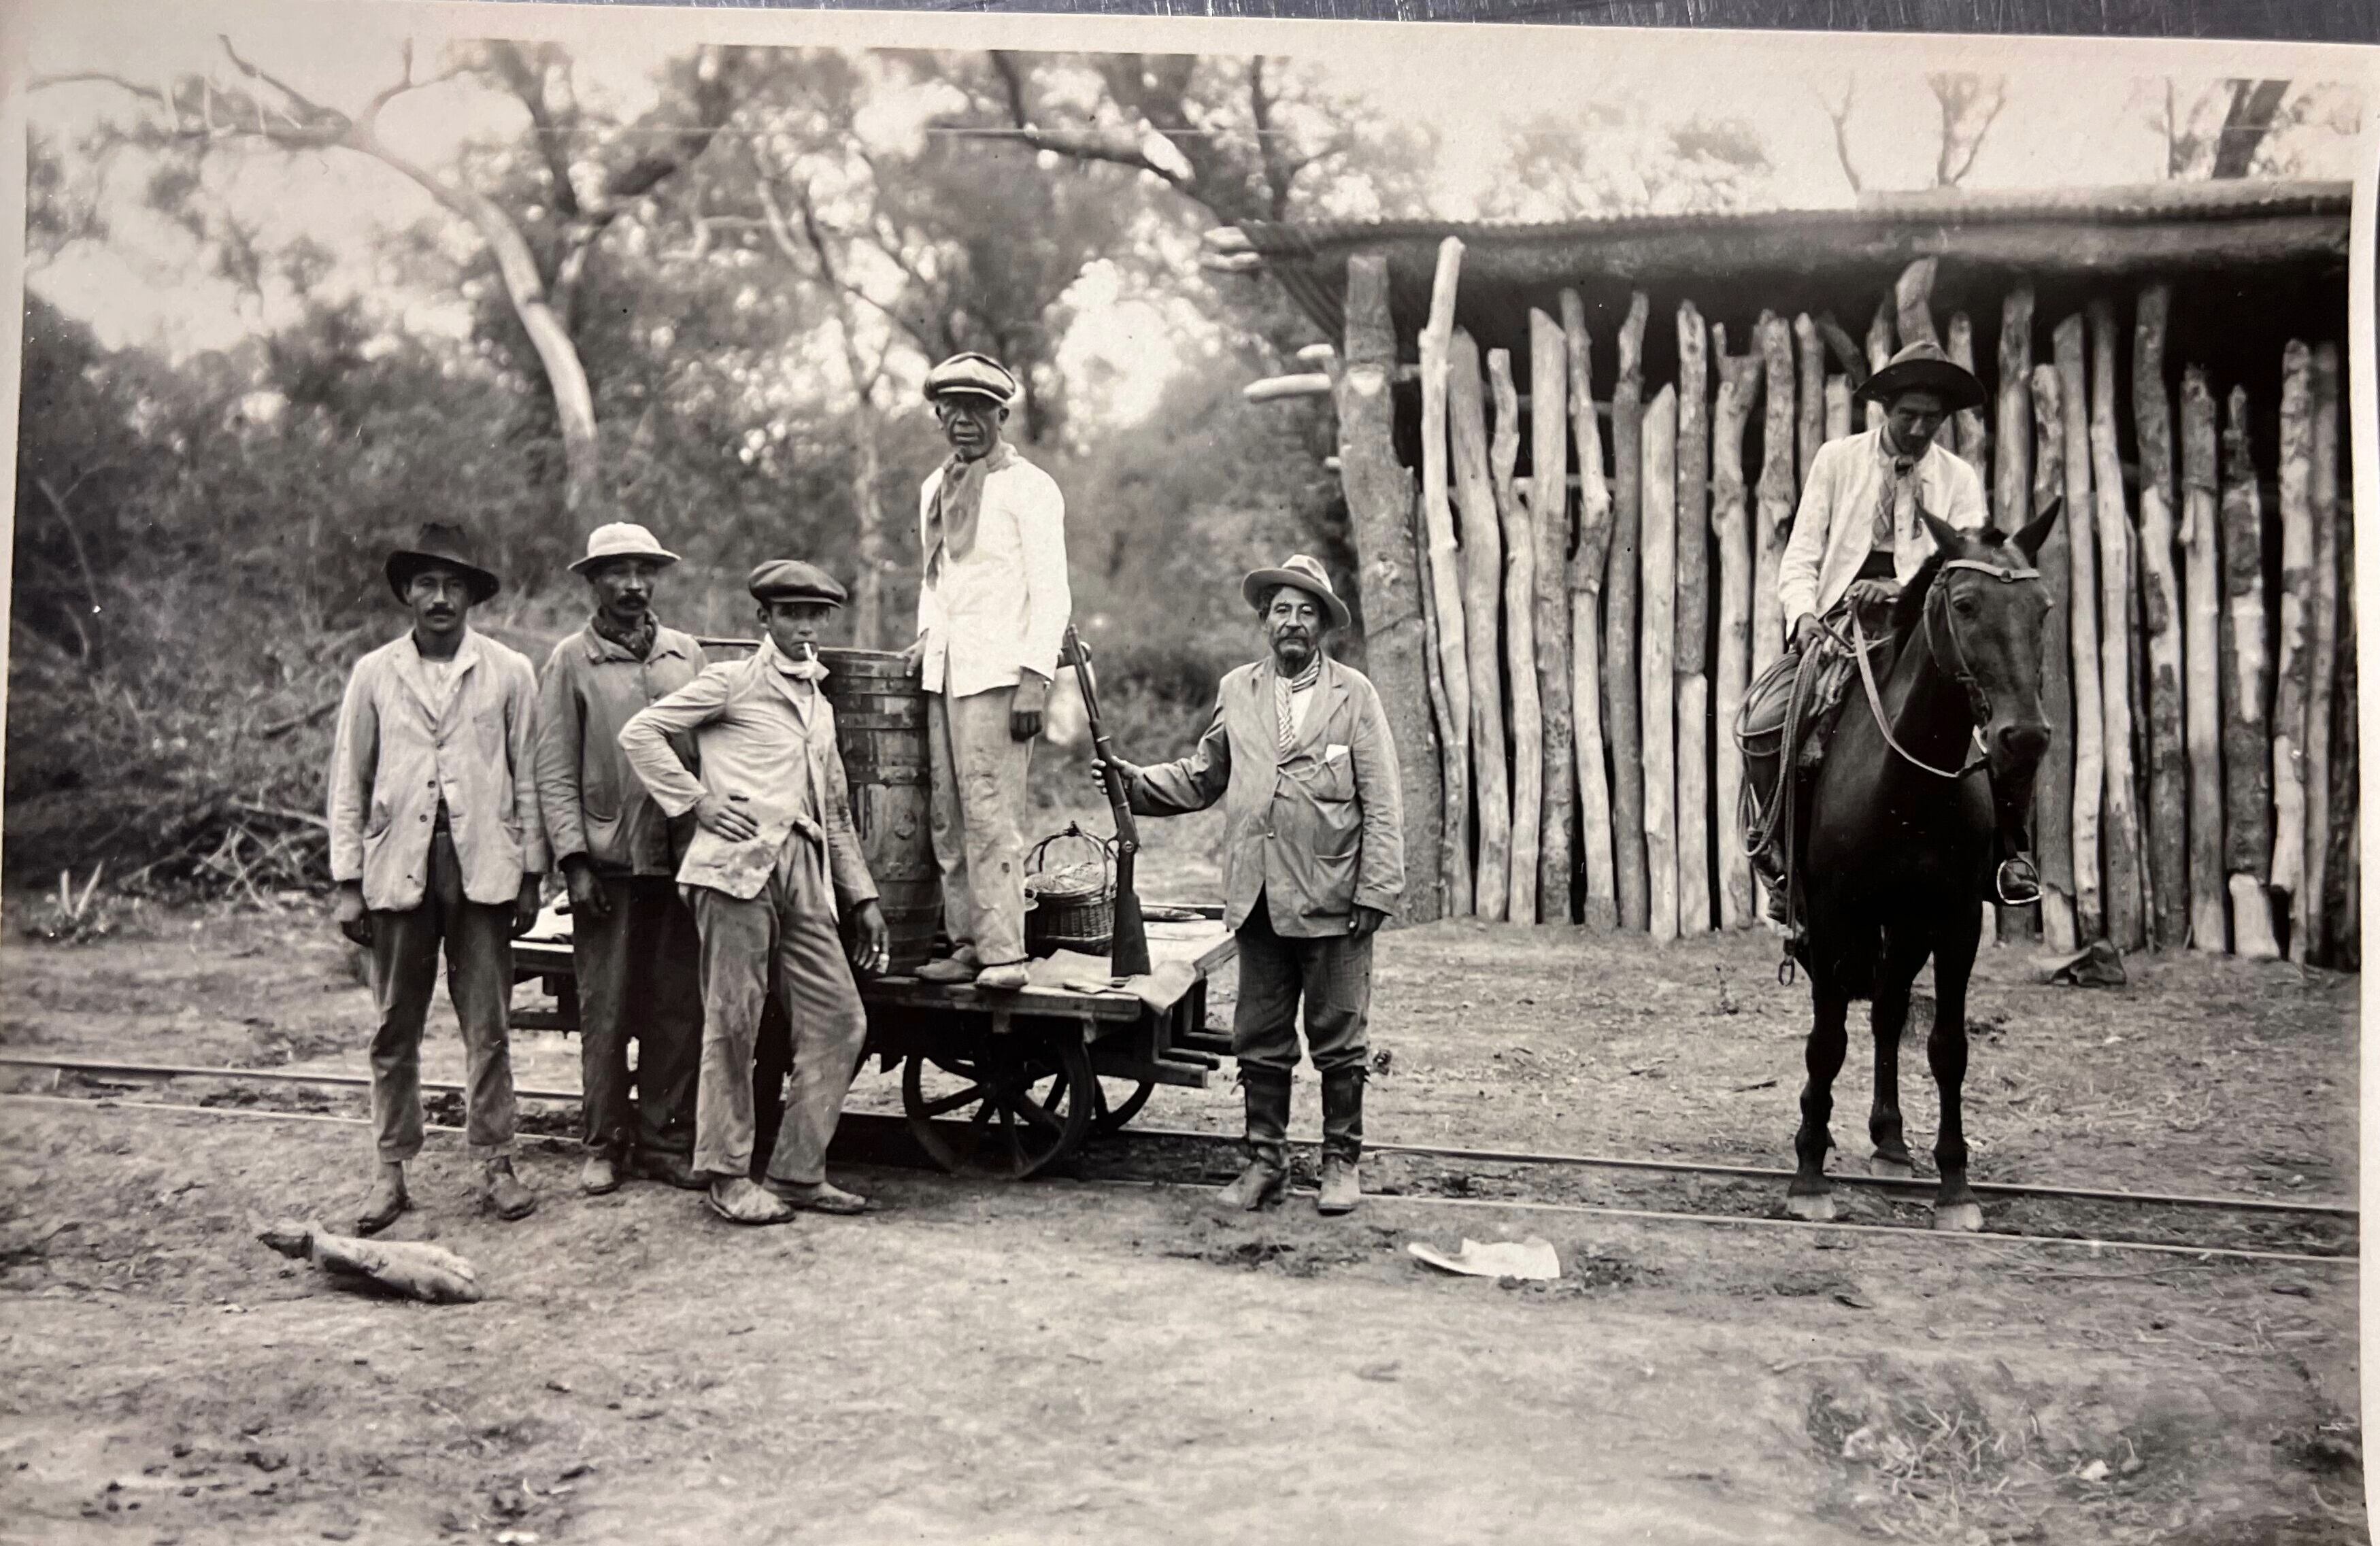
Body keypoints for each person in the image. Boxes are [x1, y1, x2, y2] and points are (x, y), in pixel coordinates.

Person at [1093, 556, 1403, 1216]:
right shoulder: (1238, 688)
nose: (1293, 622)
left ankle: (1340, 1163)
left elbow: (1382, 799)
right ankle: (1264, 1163)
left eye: (1306, 611)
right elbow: (1205, 774)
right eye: (1281, 610)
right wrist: (1132, 782)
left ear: (1322, 623)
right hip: (1258, 898)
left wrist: (1375, 891)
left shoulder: (1355, 694)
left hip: (1334, 898)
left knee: (1339, 1037)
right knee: (1259, 1037)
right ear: (1265, 621)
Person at [619, 561, 891, 1227]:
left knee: (839, 1019)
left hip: (803, 868)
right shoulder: (731, 681)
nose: (805, 626)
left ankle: (798, 1172)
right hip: (733, 870)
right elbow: (641, 733)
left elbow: (835, 810)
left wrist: (861, 896)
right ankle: (726, 1175)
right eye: (790, 612)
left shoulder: (819, 704)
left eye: (815, 614)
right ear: (763, 620)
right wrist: (697, 804)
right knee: (733, 1023)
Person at [1740, 339, 2036, 939]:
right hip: (1839, 628)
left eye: (1932, 417)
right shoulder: (1836, 460)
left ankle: (2006, 855)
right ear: (1884, 408)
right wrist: (1804, 618)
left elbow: (1967, 564)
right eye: (1909, 415)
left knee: (2007, 718)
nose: (1921, 427)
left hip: (1923, 631)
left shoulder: (1958, 477)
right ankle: (1784, 862)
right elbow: (1800, 554)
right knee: (1764, 720)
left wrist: (1901, 592)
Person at [328, 522, 546, 1235]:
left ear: (472, 597)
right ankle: (390, 1171)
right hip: (399, 868)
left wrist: (529, 875)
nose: (440, 598)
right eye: (427, 583)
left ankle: (496, 1162)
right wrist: (347, 879)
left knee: (489, 1025)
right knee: (395, 1026)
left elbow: (530, 775)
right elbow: (349, 784)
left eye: (455, 585)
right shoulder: (373, 674)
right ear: (407, 593)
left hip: (482, 865)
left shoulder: (510, 671)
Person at [534, 522, 709, 1196]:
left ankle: (666, 1141)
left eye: (644, 570)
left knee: (677, 1006)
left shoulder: (683, 654)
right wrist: (573, 862)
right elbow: (553, 769)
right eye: (617, 572)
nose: (633, 585)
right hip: (607, 866)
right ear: (592, 581)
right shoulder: (570, 661)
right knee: (604, 1011)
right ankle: (604, 1143)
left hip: (680, 861)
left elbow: (705, 753)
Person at [905, 352, 1072, 994]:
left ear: (1002, 414)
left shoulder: (1030, 487)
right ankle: (966, 942)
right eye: (953, 409)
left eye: (979, 408)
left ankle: (1004, 950)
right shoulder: (935, 486)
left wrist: (1035, 676)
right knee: (947, 815)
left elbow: (1051, 590)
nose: (964, 421)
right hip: (946, 671)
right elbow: (935, 579)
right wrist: (926, 639)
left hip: (1000, 674)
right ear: (939, 415)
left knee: (990, 811)